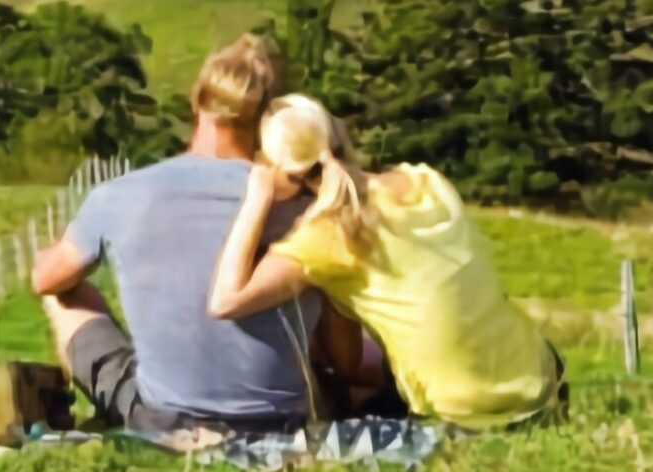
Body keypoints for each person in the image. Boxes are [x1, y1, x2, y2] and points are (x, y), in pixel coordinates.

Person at [31, 34, 361, 436]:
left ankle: (122, 405)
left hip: (167, 420)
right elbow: (347, 361)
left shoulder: (119, 194)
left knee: (65, 293)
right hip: (285, 420)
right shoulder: (309, 206)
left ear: (195, 99)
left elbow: (44, 280)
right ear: (269, 118)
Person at [207, 95, 564, 432]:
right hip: (540, 382)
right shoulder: (426, 181)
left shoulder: (324, 236)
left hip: (460, 412)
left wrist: (257, 197)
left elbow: (226, 301)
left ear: (278, 169)